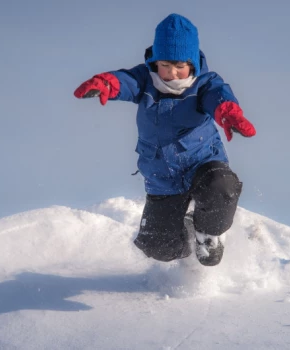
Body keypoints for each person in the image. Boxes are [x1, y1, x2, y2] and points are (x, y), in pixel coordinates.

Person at [73, 13, 256, 266]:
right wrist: (106, 84)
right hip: (163, 177)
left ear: (191, 63)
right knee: (157, 247)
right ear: (155, 62)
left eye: (180, 66)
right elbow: (123, 81)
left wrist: (229, 115)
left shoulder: (204, 84)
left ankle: (208, 234)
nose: (172, 73)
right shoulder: (145, 80)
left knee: (221, 186)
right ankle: (188, 233)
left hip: (202, 163)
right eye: (165, 66)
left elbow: (219, 98)